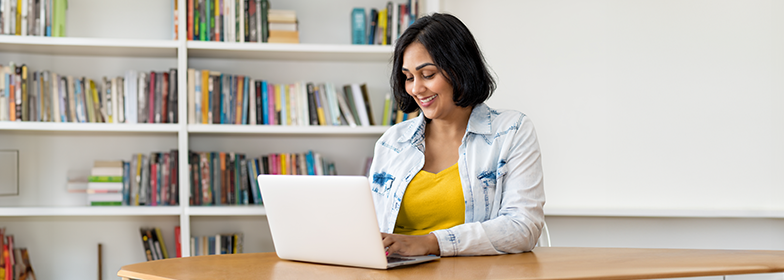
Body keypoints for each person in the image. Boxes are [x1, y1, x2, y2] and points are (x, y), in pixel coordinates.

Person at [368, 13, 545, 257]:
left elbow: (522, 227)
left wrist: (431, 242)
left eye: (428, 75)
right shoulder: (392, 142)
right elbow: (371, 226)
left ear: (460, 69)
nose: (416, 89)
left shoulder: (511, 131)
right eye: (408, 77)